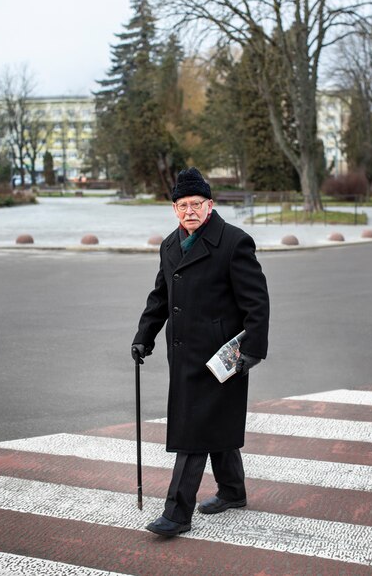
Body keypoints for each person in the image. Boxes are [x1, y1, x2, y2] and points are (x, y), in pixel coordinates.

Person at [131, 167, 269, 537]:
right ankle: (233, 491)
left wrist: (252, 349)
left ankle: (177, 514)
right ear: (174, 209)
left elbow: (256, 301)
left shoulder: (234, 242)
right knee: (213, 422)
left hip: (221, 356)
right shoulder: (171, 245)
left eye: (196, 204)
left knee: (193, 430)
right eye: (181, 205)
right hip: (183, 352)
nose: (189, 211)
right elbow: (161, 296)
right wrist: (145, 335)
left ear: (210, 205)